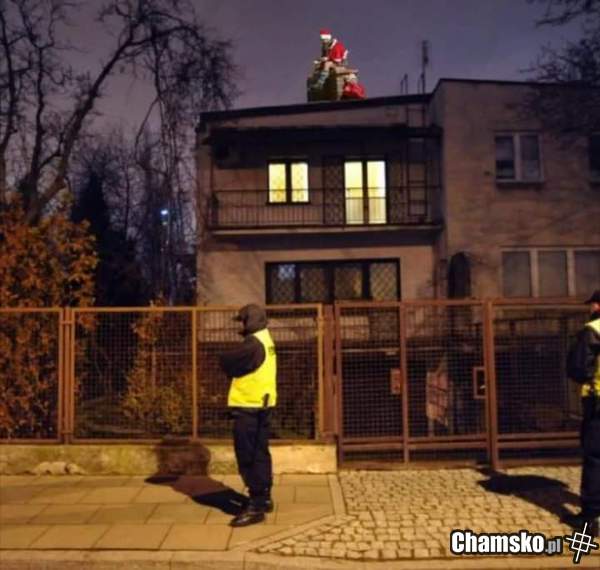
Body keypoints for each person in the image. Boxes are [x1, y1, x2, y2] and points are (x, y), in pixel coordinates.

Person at [219, 304, 277, 527]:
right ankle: (264, 497)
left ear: (250, 321)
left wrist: (222, 358)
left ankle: (255, 506)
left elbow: (228, 361)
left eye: (243, 321)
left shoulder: (253, 344)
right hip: (263, 404)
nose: (242, 325)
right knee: (260, 453)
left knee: (248, 457)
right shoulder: (265, 339)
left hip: (249, 407)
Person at [567, 289, 600, 536]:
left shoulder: (593, 330)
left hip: (598, 401)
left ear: (598, 306)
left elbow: (580, 369)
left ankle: (590, 518)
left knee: (595, 457)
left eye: (592, 305)